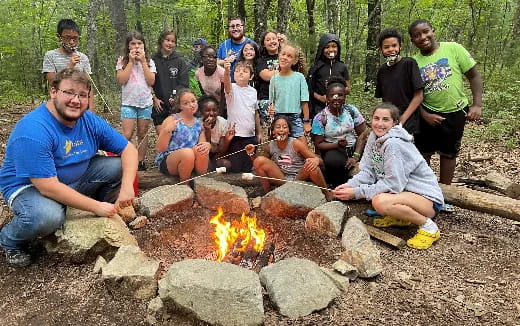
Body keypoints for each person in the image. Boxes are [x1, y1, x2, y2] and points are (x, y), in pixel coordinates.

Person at [0, 68, 138, 267]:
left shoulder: (88, 120)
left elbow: (129, 150)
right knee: (47, 217)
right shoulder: (33, 130)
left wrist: (126, 188)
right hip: (28, 188)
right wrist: (96, 207)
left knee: (119, 167)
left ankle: (101, 218)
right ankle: (9, 239)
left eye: (82, 95)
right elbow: (47, 187)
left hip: (76, 178)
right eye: (69, 92)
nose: (76, 100)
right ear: (54, 92)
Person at [333, 103, 444, 250]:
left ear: (395, 123)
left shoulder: (393, 144)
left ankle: (428, 227)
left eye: (385, 119)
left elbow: (393, 184)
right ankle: (401, 217)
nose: (379, 124)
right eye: (376, 118)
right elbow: (369, 171)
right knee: (377, 199)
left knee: (379, 201)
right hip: (404, 193)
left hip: (427, 199)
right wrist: (350, 185)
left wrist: (357, 193)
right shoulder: (373, 137)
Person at [409, 19, 483, 211]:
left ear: (433, 30)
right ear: (412, 40)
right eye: (417, 36)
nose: (422, 37)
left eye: (425, 32)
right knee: (423, 153)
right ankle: (423, 192)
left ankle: (445, 195)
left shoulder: (454, 49)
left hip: (455, 111)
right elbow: (412, 94)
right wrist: (424, 114)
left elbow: (473, 75)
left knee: (449, 153)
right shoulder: (413, 62)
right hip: (426, 113)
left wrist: (477, 104)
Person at [245, 117, 331, 200]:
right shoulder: (270, 146)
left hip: (298, 178)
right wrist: (251, 154)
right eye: (278, 127)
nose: (281, 130)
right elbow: (258, 164)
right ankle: (267, 195)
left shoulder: (296, 143)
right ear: (273, 132)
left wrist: (315, 160)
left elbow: (320, 161)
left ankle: (328, 196)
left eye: (285, 127)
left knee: (312, 167)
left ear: (289, 131)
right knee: (259, 160)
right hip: (281, 179)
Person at [311, 76, 367, 188]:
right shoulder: (320, 117)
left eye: (340, 95)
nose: (336, 99)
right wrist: (337, 144)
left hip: (354, 147)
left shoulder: (351, 111)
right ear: (327, 98)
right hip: (333, 148)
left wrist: (356, 156)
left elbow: (363, 134)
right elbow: (319, 144)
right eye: (332, 96)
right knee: (334, 162)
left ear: (345, 96)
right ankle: (338, 184)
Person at [116, 31, 156, 171]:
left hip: (145, 102)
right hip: (128, 102)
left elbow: (151, 81)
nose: (136, 47)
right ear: (128, 46)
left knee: (142, 132)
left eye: (139, 43)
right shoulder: (123, 60)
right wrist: (131, 62)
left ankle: (140, 161)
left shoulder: (150, 61)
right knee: (127, 133)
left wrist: (143, 61)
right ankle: (123, 157)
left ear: (144, 46)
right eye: (133, 43)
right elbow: (121, 80)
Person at [375, 28, 424, 136]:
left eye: (394, 46)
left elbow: (419, 96)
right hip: (390, 122)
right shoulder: (382, 70)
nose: (391, 49)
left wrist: (402, 119)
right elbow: (384, 100)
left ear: (400, 46)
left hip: (409, 121)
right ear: (381, 50)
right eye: (386, 47)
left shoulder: (409, 63)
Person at [155, 89, 210, 182]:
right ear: (180, 106)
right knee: (187, 153)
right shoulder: (171, 120)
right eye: (186, 103)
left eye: (193, 101)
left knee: (201, 151)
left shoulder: (199, 123)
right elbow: (160, 149)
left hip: (191, 160)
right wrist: (166, 131)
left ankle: (202, 182)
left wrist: (207, 145)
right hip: (170, 160)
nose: (191, 105)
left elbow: (202, 144)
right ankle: (184, 184)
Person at [43, 18, 95, 111]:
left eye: (75, 38)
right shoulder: (50, 56)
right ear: (59, 37)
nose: (71, 42)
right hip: (58, 105)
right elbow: (52, 82)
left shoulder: (83, 57)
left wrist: (91, 110)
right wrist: (70, 66)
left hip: (79, 105)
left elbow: (89, 86)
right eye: (67, 38)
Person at [221, 60, 262, 172]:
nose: (240, 73)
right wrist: (226, 71)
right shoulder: (232, 88)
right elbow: (226, 84)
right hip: (235, 135)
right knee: (236, 167)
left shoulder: (253, 91)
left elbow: (256, 112)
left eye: (244, 71)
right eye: (237, 71)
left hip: (250, 135)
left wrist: (259, 132)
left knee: (248, 165)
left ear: (251, 76)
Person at [268, 43, 311, 144]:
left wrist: (306, 122)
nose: (285, 57)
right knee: (277, 143)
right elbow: (272, 101)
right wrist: (271, 108)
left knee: (302, 143)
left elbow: (304, 102)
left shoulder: (299, 77)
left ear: (294, 61)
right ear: (279, 56)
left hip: (295, 116)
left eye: (289, 56)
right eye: (283, 54)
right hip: (279, 117)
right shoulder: (274, 78)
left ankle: (307, 159)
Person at [152, 30, 189, 134]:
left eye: (173, 41)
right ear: (161, 41)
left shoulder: (179, 61)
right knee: (163, 137)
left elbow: (184, 83)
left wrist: (176, 97)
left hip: (176, 106)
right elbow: (148, 82)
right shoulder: (153, 60)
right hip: (159, 106)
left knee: (176, 138)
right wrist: (154, 98)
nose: (170, 43)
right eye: (167, 40)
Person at [307, 34, 351, 119]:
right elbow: (309, 89)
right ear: (322, 49)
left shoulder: (342, 67)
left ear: (338, 48)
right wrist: (320, 97)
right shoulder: (316, 67)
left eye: (334, 46)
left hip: (338, 107)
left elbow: (348, 89)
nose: (331, 50)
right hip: (319, 108)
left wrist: (337, 94)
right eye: (327, 47)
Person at [217, 17, 256, 82]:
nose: (235, 29)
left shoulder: (251, 44)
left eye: (238, 26)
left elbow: (260, 61)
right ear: (229, 29)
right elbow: (215, 62)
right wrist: (225, 61)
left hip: (248, 85)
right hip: (228, 85)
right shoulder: (224, 45)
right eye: (232, 26)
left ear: (243, 27)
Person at [255, 30, 282, 124]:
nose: (272, 41)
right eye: (268, 40)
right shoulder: (260, 60)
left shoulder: (284, 56)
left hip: (285, 97)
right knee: (274, 125)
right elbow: (266, 76)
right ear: (263, 44)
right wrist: (285, 71)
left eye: (274, 39)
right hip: (266, 98)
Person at [199, 95, 231, 169]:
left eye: (214, 110)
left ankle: (212, 165)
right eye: (207, 110)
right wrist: (207, 131)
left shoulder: (222, 122)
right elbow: (204, 147)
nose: (211, 113)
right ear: (201, 111)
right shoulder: (198, 124)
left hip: (217, 154)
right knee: (207, 165)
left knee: (226, 164)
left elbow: (221, 149)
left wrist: (227, 140)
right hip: (204, 153)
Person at [195, 46, 225, 115]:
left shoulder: (222, 73)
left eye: (214, 57)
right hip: (210, 106)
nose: (211, 59)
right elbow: (204, 93)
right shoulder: (198, 73)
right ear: (201, 58)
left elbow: (225, 96)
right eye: (207, 56)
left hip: (223, 107)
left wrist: (219, 115)